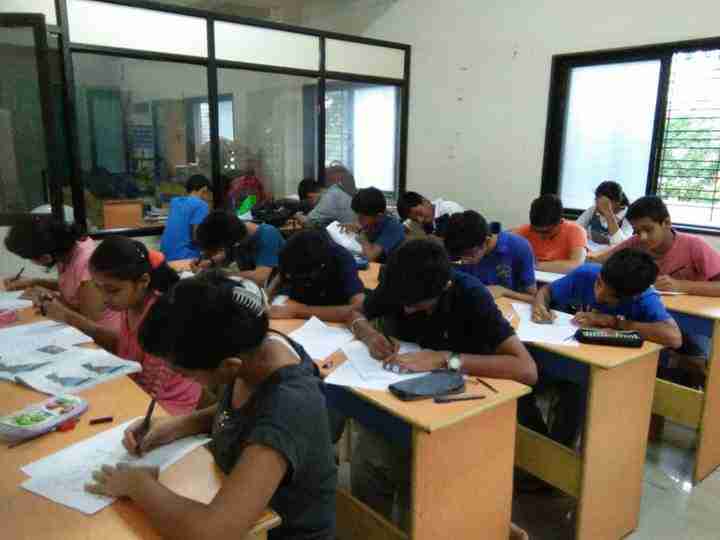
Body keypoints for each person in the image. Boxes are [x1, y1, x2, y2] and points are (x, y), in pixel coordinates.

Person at [84, 272, 337, 540]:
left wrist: (138, 485)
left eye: (184, 373)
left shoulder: (289, 407)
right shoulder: (252, 344)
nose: (177, 376)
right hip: (228, 492)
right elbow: (249, 413)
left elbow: (214, 532)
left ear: (229, 366)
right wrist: (179, 424)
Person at [345, 240, 537, 530]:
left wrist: (447, 359)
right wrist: (369, 334)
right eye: (402, 302)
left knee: (416, 473)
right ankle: (370, 529)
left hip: (464, 407)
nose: (406, 310)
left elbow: (526, 369)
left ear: (444, 287)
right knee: (368, 454)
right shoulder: (401, 281)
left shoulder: (471, 295)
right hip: (404, 399)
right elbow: (355, 313)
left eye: (416, 304)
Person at [527, 248, 681, 446]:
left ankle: (558, 449)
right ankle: (536, 440)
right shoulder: (586, 273)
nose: (599, 295)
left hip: (609, 369)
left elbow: (674, 337)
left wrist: (614, 322)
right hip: (570, 352)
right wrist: (540, 305)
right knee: (523, 379)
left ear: (631, 297)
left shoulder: (645, 298)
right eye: (599, 284)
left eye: (609, 298)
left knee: (574, 394)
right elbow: (547, 291)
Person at [36, 236, 202, 415]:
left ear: (143, 281)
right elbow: (126, 349)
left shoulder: (160, 318)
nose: (104, 298)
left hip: (165, 407)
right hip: (139, 392)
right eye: (98, 288)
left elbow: (151, 393)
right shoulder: (129, 304)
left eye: (113, 290)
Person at [3, 215, 119, 330]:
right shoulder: (64, 251)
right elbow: (72, 287)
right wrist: (33, 282)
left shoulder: (87, 263)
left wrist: (52, 299)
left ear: (46, 258)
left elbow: (90, 321)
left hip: (102, 335)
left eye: (30, 258)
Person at [589, 196, 720, 296]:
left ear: (666, 223)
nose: (643, 237)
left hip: (691, 313)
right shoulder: (635, 242)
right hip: (650, 310)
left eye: (648, 229)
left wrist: (681, 286)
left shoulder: (694, 245)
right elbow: (599, 262)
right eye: (637, 231)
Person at [267, 230, 365, 322]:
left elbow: (359, 308)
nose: (288, 276)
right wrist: (267, 297)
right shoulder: (292, 251)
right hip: (296, 310)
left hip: (329, 315)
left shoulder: (341, 259)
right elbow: (282, 274)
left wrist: (299, 311)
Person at [444, 210, 536, 302]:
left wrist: (503, 291)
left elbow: (532, 297)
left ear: (487, 241)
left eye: (469, 255)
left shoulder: (518, 247)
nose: (463, 261)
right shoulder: (457, 249)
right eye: (459, 257)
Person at [195, 211, 285, 287]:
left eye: (222, 247)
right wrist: (209, 262)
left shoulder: (268, 235)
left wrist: (221, 275)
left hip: (277, 292)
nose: (223, 249)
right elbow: (225, 255)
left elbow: (261, 278)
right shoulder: (235, 235)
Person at [514, 194, 587, 273]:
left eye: (546, 232)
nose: (540, 236)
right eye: (536, 231)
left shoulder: (576, 231)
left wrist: (531, 265)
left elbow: (576, 266)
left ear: (560, 222)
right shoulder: (525, 230)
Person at [160, 175, 212, 262]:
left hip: (165, 254)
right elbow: (197, 237)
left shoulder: (175, 201)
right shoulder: (201, 205)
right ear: (204, 190)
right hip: (184, 256)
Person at [347, 187, 405, 263]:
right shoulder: (371, 218)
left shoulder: (393, 227)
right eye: (356, 214)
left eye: (362, 217)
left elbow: (369, 257)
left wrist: (362, 234)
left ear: (378, 216)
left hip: (388, 267)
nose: (357, 220)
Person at [296, 163, 357, 227]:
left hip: (348, 232)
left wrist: (297, 215)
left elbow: (307, 222)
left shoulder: (331, 196)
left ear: (311, 196)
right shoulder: (340, 191)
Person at [576, 181, 632, 248]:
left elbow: (622, 244)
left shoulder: (628, 216)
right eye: (596, 200)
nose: (598, 205)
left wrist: (608, 212)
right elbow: (575, 229)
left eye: (604, 203)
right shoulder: (593, 210)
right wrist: (588, 234)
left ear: (617, 202)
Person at [396, 191, 464, 237]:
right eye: (415, 220)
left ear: (425, 201)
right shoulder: (412, 220)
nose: (420, 220)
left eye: (419, 213)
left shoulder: (450, 209)